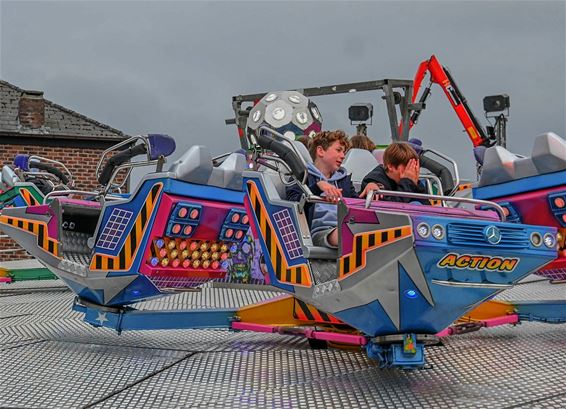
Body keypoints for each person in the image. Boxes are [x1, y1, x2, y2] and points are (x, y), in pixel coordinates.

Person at [286, 130, 377, 248]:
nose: (343, 156)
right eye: (338, 150)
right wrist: (317, 187)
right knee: (350, 233)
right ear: (320, 151)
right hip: (319, 232)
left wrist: (369, 188)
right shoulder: (301, 177)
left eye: (344, 152)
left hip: (345, 225)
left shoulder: (343, 180)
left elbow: (356, 203)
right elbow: (293, 204)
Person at [361, 142, 429, 204]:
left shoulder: (410, 181)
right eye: (407, 167)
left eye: (414, 167)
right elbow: (392, 207)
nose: (411, 172)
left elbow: (426, 206)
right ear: (390, 166)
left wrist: (416, 184)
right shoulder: (374, 180)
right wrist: (407, 182)